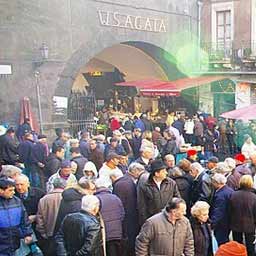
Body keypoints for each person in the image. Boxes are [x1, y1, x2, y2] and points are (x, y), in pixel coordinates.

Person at [112, 162, 145, 256]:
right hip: (127, 218)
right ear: (135, 172)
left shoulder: (126, 182)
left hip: (129, 217)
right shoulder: (123, 184)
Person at [137, 159, 180, 225]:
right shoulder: (145, 186)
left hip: (169, 218)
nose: (166, 173)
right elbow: (142, 206)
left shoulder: (171, 183)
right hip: (153, 220)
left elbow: (177, 200)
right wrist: (145, 222)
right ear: (156, 173)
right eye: (163, 171)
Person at [0, 177, 33, 255]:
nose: (14, 192)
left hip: (15, 244)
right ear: (1, 191)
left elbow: (24, 219)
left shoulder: (17, 201)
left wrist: (27, 234)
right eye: (10, 190)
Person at [95, 177, 125, 256]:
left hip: (104, 234)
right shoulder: (115, 197)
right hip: (117, 233)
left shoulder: (96, 199)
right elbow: (122, 214)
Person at [36, 178, 66, 256]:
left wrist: (43, 233)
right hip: (64, 235)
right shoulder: (66, 198)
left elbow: (40, 218)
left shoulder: (44, 199)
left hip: (49, 234)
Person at [229, 175, 256, 256]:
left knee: (237, 246)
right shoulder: (254, 197)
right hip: (250, 225)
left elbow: (230, 210)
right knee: (250, 247)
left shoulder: (233, 195)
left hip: (235, 224)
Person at [210, 173, 233, 246]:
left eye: (213, 182)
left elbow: (219, 211)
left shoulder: (220, 195)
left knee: (221, 242)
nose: (212, 184)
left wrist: (212, 223)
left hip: (222, 224)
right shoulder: (229, 190)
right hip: (228, 221)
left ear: (217, 183)